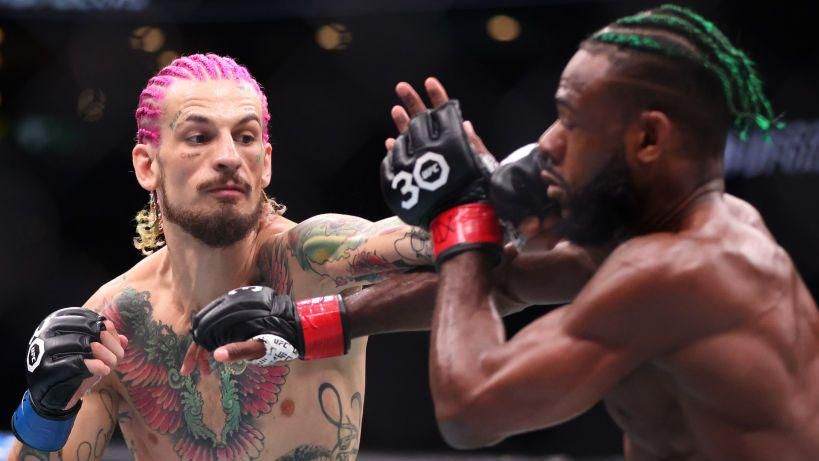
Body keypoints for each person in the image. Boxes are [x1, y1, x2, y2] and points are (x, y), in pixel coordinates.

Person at [379, 4, 819, 461]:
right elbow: (500, 281)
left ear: (648, 139)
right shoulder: (692, 229)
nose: (547, 141)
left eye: (570, 120)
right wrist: (316, 323)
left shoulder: (682, 268)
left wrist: (461, 215)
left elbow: (468, 411)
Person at [8, 53, 446, 461]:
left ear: (266, 163)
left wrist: (460, 197)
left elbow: (453, 252)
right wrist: (44, 411)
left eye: (245, 137)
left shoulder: (314, 260)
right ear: (147, 165)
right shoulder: (117, 321)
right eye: (199, 137)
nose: (228, 157)